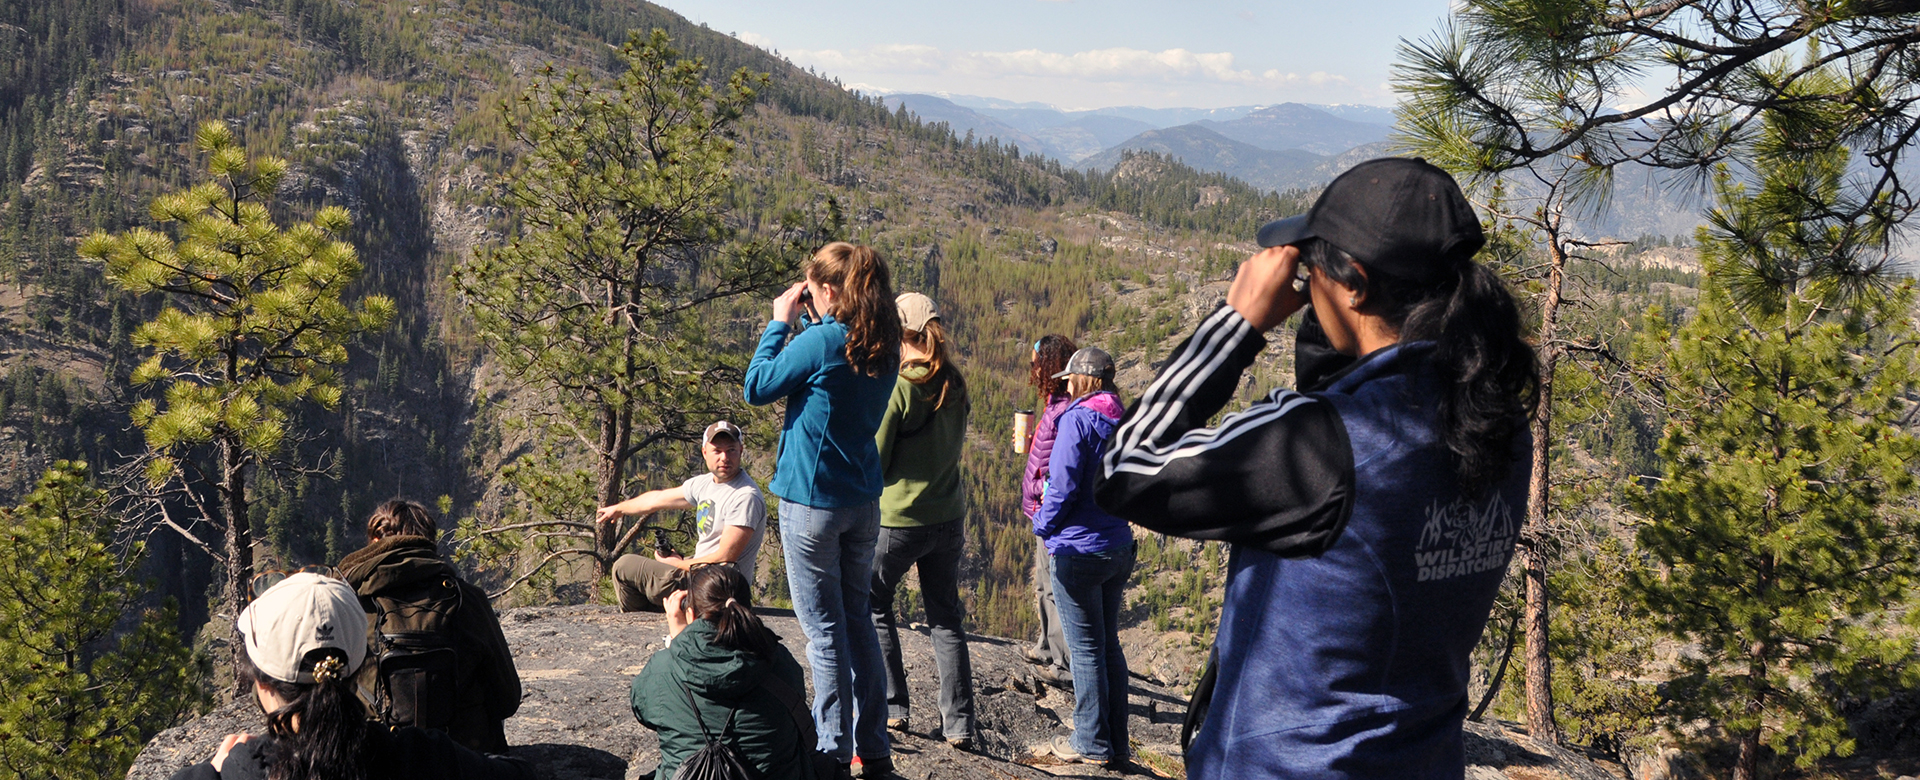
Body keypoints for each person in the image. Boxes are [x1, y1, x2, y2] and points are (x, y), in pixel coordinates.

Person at [1094, 157, 1541, 779]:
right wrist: (1338, 334)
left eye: (1313, 272)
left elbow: (1124, 468)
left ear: (1353, 282)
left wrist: (1237, 324)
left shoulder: (1330, 444)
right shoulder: (1495, 419)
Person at [743, 241, 901, 777]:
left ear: (829, 289)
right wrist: (814, 323)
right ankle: (874, 750)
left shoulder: (824, 340)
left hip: (812, 504)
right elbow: (831, 362)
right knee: (857, 621)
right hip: (862, 501)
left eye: (812, 288)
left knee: (824, 632)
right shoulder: (884, 341)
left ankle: (833, 752)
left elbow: (757, 387)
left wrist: (778, 324)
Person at [168, 572, 529, 780]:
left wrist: (209, 773)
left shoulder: (243, 769)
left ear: (262, 684)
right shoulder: (419, 757)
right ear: (357, 671)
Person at [867, 292, 976, 748]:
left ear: (899, 331)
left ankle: (894, 709)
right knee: (946, 619)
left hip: (899, 519)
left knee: (873, 605)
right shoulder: (954, 383)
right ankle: (961, 725)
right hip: (948, 517)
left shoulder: (900, 385)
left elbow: (875, 458)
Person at [337, 500, 521, 754]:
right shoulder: (466, 598)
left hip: (376, 759)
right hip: (462, 760)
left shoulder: (347, 603)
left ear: (375, 543)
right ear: (429, 541)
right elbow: (507, 699)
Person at [1031, 346, 1134, 769]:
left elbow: (1063, 485)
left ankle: (1090, 741)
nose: (1067, 385)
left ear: (1085, 380)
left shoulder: (1077, 420)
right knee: (1108, 644)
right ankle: (1117, 742)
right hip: (1117, 544)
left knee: (1086, 648)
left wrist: (1042, 523)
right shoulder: (1123, 418)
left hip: (1078, 549)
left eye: (1071, 379)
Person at [629, 564, 812, 780]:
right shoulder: (779, 661)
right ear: (746, 609)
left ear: (690, 613)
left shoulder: (663, 667)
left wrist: (679, 644)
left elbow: (643, 710)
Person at [597, 421, 769, 611]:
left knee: (624, 567)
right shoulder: (704, 484)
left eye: (731, 450)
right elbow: (658, 499)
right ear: (704, 452)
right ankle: (674, 614)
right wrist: (620, 508)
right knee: (652, 566)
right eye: (717, 451)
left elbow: (725, 557)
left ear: (741, 451)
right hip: (701, 576)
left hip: (717, 587)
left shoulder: (745, 496)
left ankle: (649, 618)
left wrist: (680, 564)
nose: (724, 457)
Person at [1019, 334, 1077, 683]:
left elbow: (1062, 467)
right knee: (1043, 583)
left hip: (1052, 510)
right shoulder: (1054, 404)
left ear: (1049, 365)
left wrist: (1043, 491)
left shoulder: (1067, 409)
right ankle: (1045, 646)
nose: (1031, 368)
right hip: (1041, 509)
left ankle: (1064, 664)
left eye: (1034, 362)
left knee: (1056, 588)